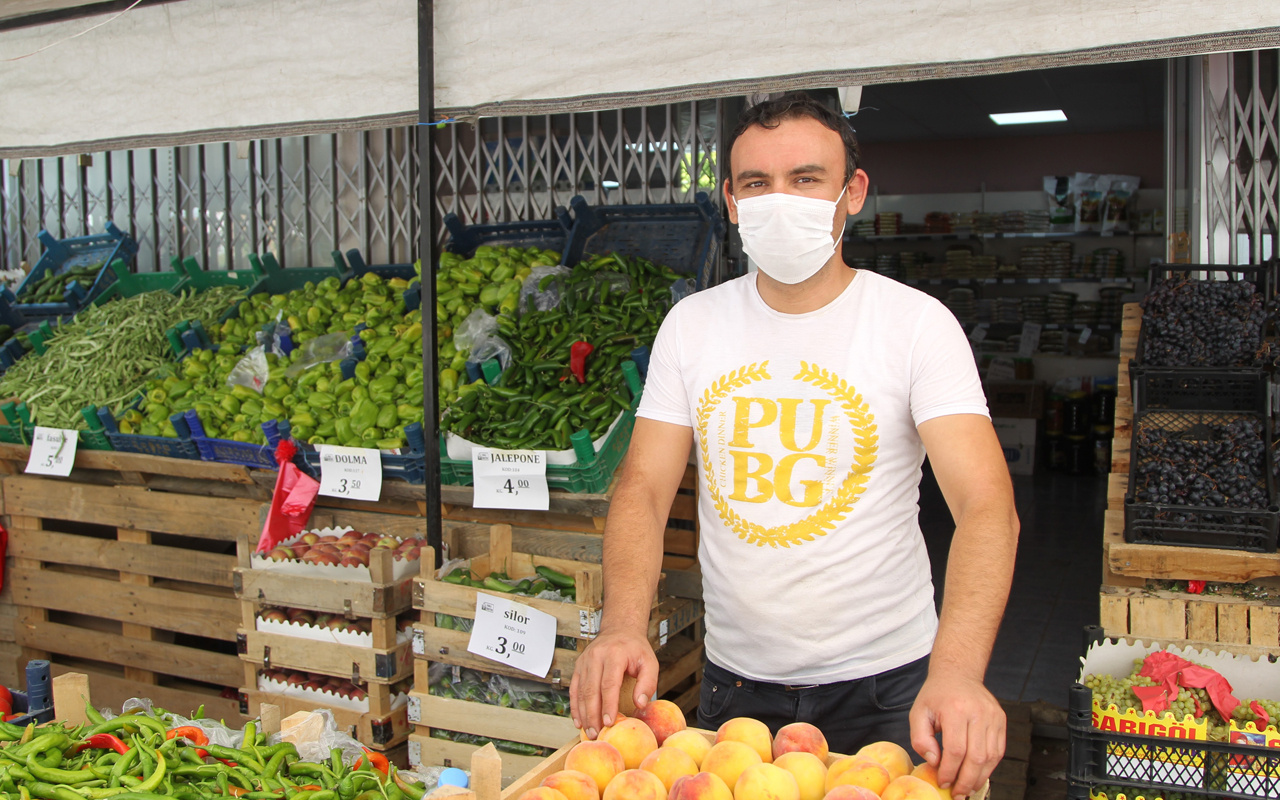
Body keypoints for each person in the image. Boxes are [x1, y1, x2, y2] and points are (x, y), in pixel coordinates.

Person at [569, 93, 1018, 800]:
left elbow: (987, 506)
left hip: (888, 690)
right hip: (734, 690)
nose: (780, 199)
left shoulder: (914, 326)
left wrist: (958, 671)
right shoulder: (693, 325)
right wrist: (623, 626)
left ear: (853, 193)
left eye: (806, 179)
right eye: (756, 183)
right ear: (731, 201)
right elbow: (644, 488)